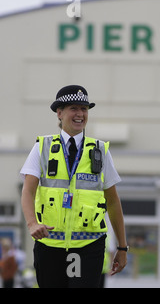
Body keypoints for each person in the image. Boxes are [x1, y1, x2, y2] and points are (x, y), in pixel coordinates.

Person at [20, 85, 128, 288]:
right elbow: (28, 190)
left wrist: (122, 247)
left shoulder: (101, 151)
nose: (80, 114)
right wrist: (32, 223)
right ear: (59, 113)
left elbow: (113, 202)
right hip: (49, 245)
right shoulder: (41, 147)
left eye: (84, 109)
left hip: (87, 247)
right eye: (74, 108)